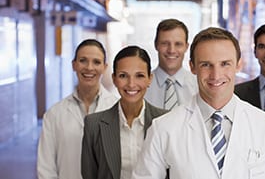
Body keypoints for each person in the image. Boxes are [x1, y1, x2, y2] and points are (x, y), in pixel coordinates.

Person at [132, 27, 265, 179]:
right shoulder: (164, 128)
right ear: (192, 67)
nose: (215, 75)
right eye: (206, 65)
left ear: (238, 65)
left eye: (225, 64)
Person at [81, 46, 168, 179]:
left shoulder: (166, 120)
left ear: (149, 78)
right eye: (123, 76)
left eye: (139, 76)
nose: (131, 84)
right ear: (114, 79)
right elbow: (89, 175)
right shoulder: (93, 125)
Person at [37, 39, 118, 179]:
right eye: (83, 60)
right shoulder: (54, 114)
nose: (89, 67)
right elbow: (46, 168)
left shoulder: (118, 110)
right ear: (74, 65)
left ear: (105, 67)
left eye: (96, 62)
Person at [144, 18, 198, 110]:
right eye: (165, 43)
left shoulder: (199, 86)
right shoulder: (141, 86)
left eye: (178, 44)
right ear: (156, 45)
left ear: (186, 47)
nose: (171, 50)